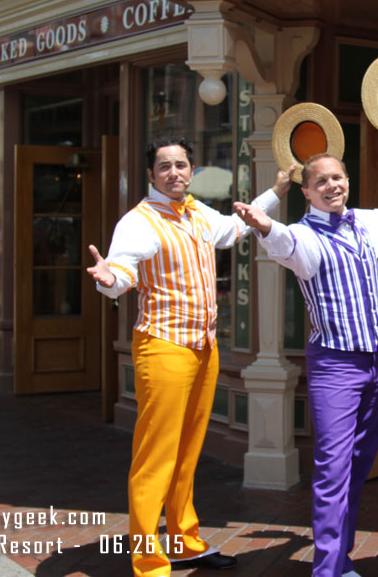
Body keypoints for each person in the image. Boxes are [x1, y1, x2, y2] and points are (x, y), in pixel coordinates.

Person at [86, 137, 290, 577]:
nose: (174, 172)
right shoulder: (137, 222)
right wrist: (107, 278)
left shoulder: (198, 213)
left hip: (203, 347)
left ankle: (183, 541)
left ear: (191, 171)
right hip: (162, 346)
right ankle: (148, 559)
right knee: (156, 454)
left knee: (187, 451)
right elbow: (121, 272)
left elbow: (237, 228)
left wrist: (276, 192)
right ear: (150, 175)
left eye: (181, 165)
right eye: (165, 166)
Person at [233, 122, 378, 577]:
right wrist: (265, 227)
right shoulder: (304, 237)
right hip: (336, 367)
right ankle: (328, 569)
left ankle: (340, 561)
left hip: (377, 362)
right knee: (333, 471)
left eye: (337, 177)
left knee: (358, 466)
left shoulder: (365, 223)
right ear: (306, 191)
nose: (332, 185)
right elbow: (284, 244)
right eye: (320, 181)